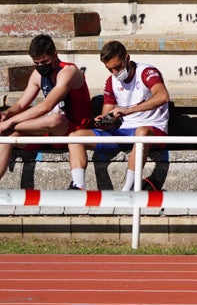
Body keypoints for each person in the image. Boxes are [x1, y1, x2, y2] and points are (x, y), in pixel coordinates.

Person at [67, 41, 169, 191]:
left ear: (127, 58)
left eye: (117, 67)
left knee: (141, 132)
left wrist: (128, 110)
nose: (115, 73)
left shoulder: (147, 72)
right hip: (124, 130)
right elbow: (107, 113)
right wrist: (105, 121)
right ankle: (79, 187)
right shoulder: (111, 81)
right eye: (110, 69)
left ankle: (128, 189)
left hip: (152, 128)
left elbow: (163, 96)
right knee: (75, 137)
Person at [0, 35, 91, 187]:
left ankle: (10, 126)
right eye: (37, 63)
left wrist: (10, 122)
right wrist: (6, 114)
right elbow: (21, 104)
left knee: (55, 119)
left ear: (55, 55)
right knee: (7, 138)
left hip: (72, 130)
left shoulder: (68, 71)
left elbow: (47, 105)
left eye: (45, 62)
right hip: (46, 132)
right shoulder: (37, 74)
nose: (41, 66)